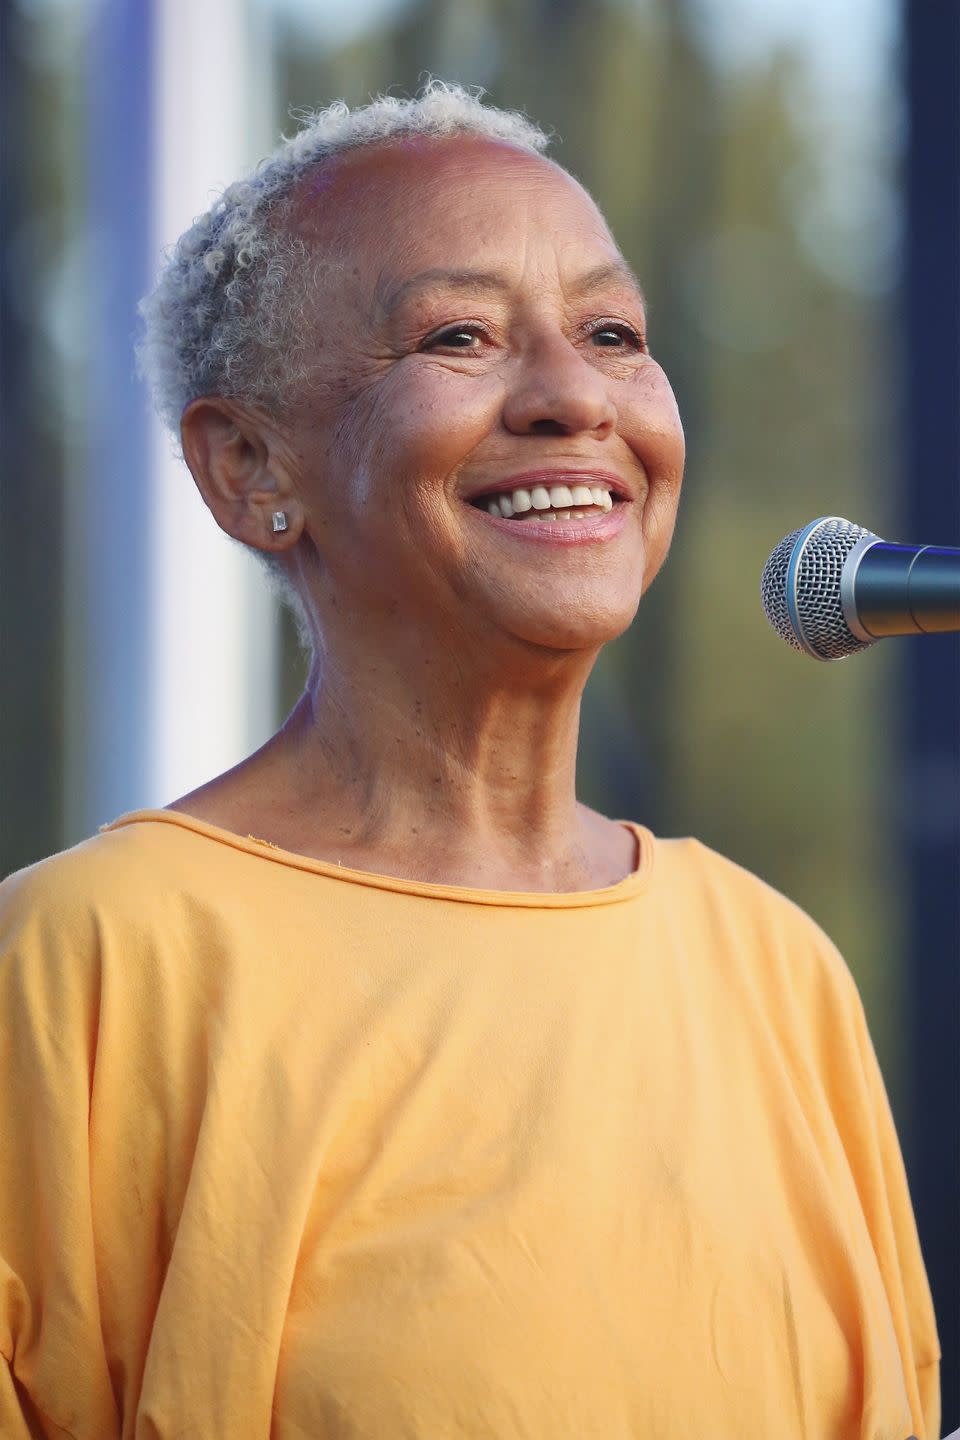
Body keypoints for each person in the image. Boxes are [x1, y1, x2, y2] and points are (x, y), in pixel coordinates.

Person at [0, 81, 940, 1438]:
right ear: (251, 464)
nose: (574, 396)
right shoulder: (88, 962)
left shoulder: (775, 968)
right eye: (461, 336)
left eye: (615, 332)